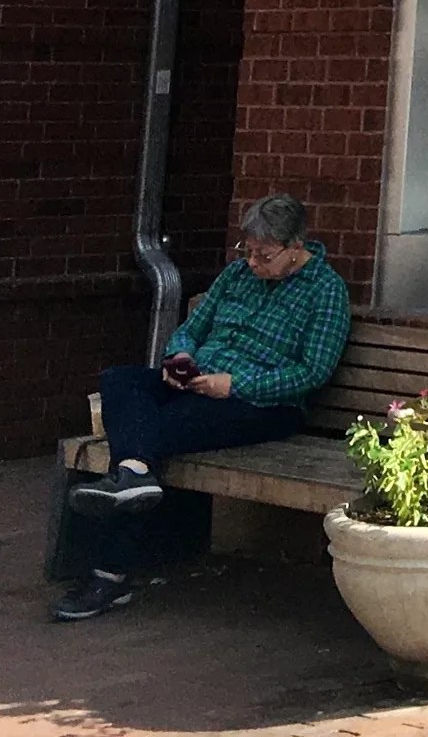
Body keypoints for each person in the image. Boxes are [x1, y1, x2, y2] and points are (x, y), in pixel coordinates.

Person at [52, 193, 352, 622]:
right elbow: (191, 330)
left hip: (262, 404)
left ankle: (109, 573)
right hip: (198, 383)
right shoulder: (236, 276)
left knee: (151, 432)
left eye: (264, 255)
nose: (252, 263)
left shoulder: (326, 291)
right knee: (120, 380)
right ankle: (134, 475)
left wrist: (234, 385)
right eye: (247, 251)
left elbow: (312, 372)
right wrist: (179, 359)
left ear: (295, 247)